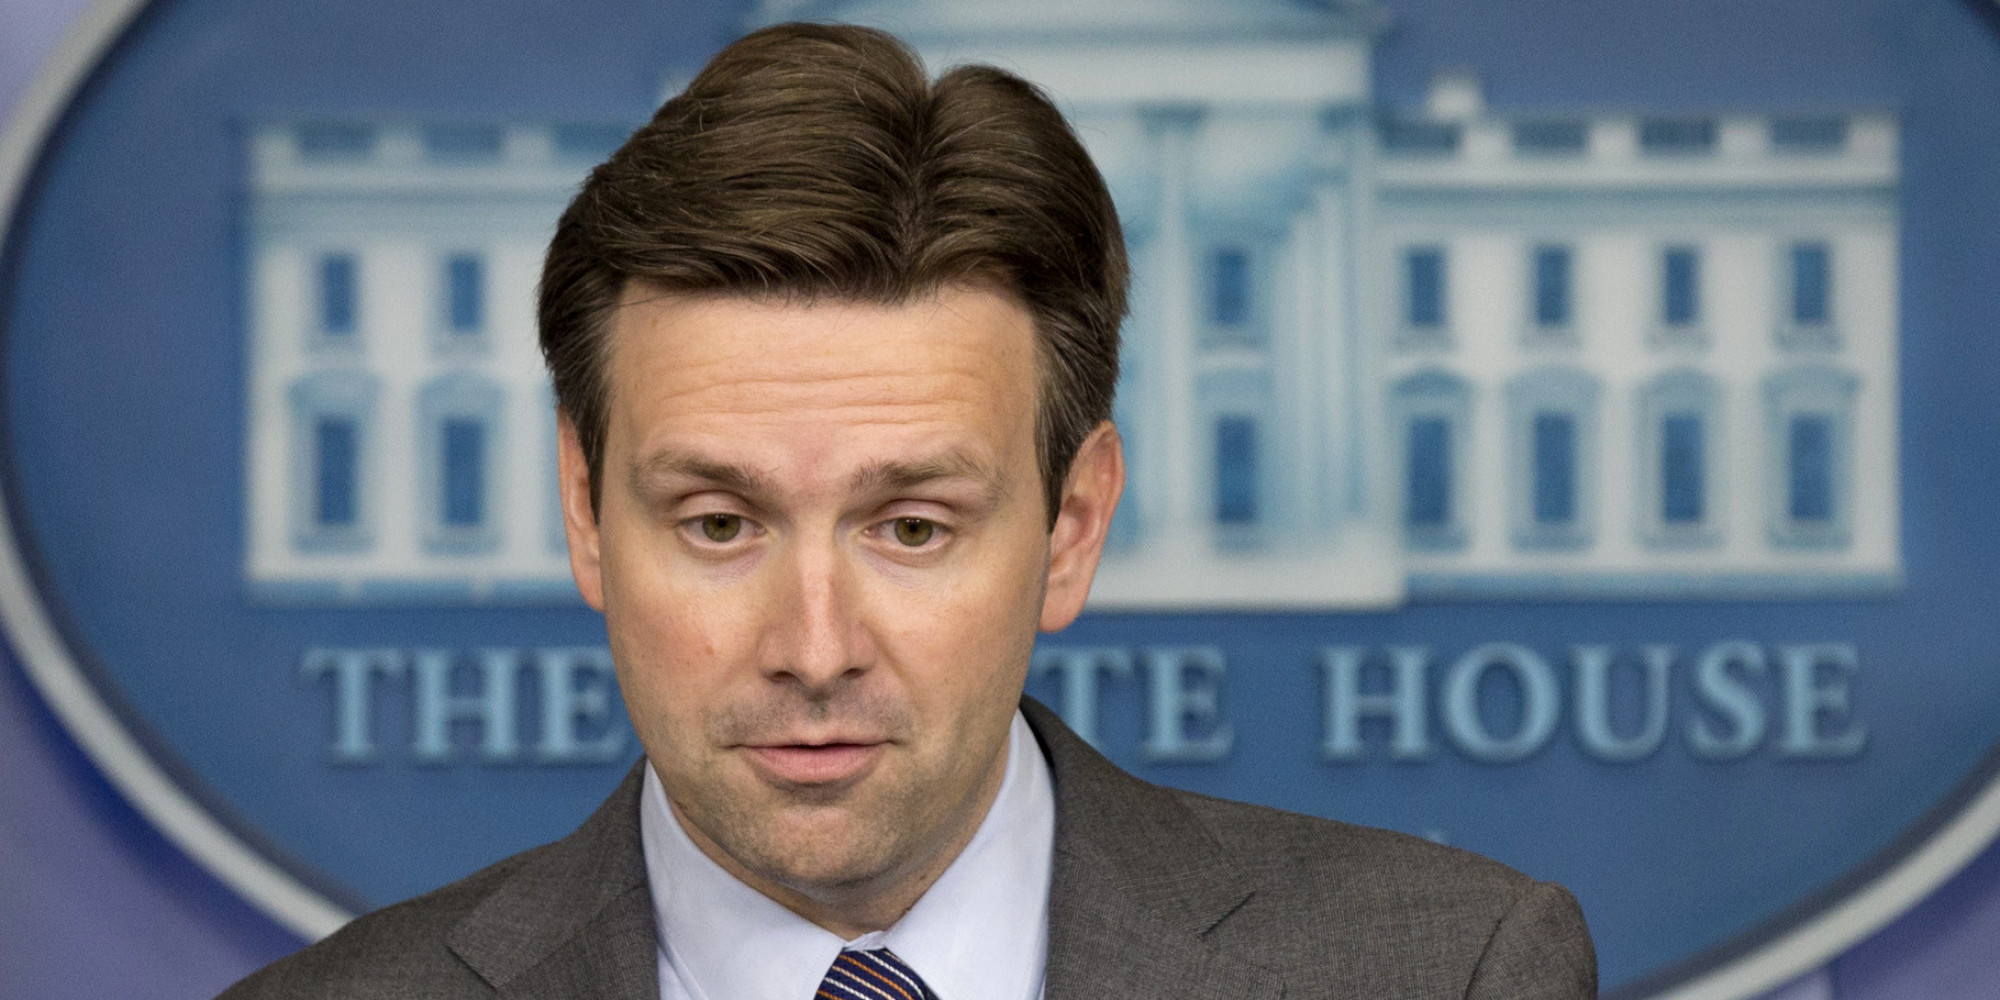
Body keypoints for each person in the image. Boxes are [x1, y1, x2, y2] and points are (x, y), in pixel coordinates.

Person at [222, 22, 1594, 1000]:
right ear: (584, 512)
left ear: (1070, 528)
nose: (814, 647)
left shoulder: (1448, 975)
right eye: (719, 524)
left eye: (912, 528)